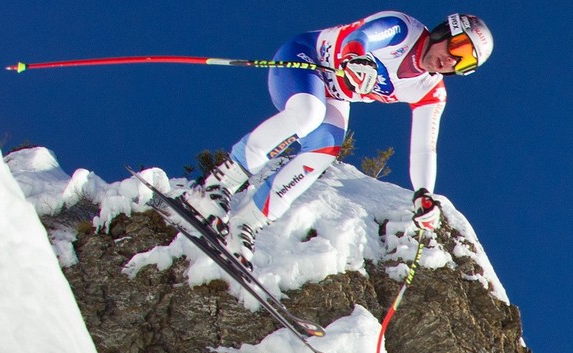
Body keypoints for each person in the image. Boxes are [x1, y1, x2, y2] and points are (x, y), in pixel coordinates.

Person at [187, 12, 494, 270]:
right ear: (445, 31)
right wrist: (354, 57)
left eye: (464, 64)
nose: (451, 62)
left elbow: (424, 146)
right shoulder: (403, 30)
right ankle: (219, 183)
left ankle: (247, 222)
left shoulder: (431, 90)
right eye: (459, 49)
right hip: (307, 58)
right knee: (308, 113)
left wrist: (424, 194)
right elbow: (361, 36)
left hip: (333, 94)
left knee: (324, 151)